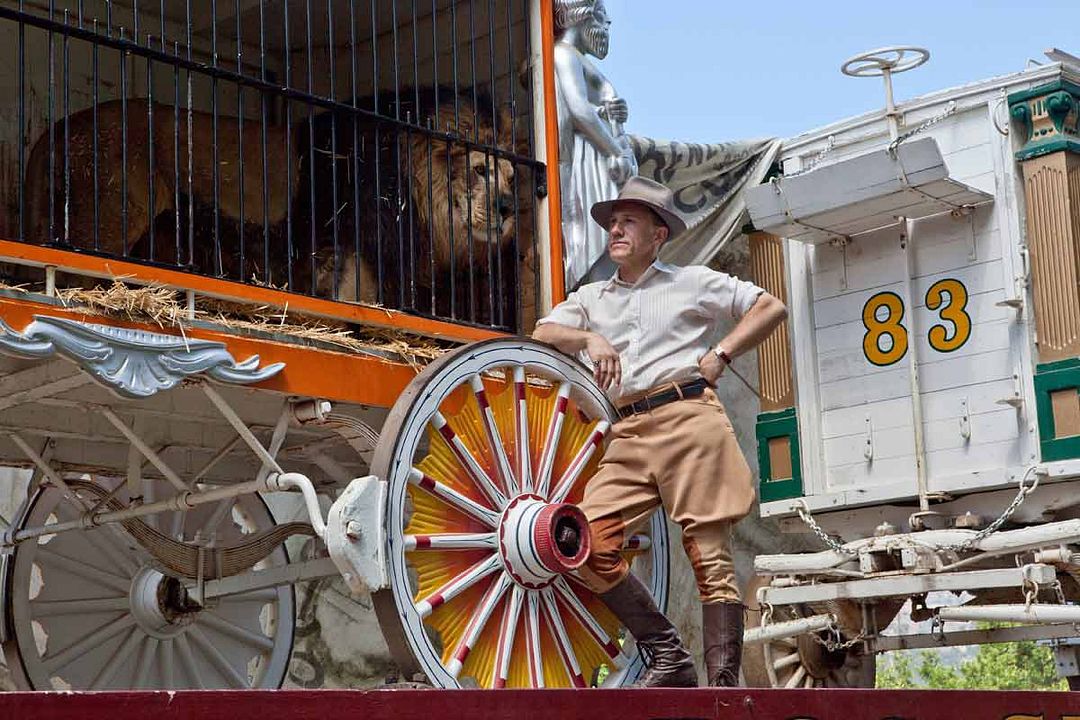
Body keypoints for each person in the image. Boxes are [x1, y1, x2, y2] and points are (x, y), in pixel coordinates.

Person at [533, 176, 788, 688]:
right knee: (584, 543)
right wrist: (590, 337)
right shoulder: (591, 298)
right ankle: (670, 656)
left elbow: (770, 306)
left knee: (709, 556)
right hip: (627, 431)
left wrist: (720, 354)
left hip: (688, 416)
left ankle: (720, 688)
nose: (616, 229)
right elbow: (542, 333)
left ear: (657, 236)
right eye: (613, 221)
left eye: (630, 221)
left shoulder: (690, 282)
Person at [553, 0, 637, 288]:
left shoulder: (579, 57)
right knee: (591, 238)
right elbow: (579, 109)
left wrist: (613, 113)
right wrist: (614, 150)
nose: (607, 26)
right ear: (582, 16)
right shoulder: (563, 53)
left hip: (600, 159)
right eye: (602, 17)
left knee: (607, 239)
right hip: (586, 161)